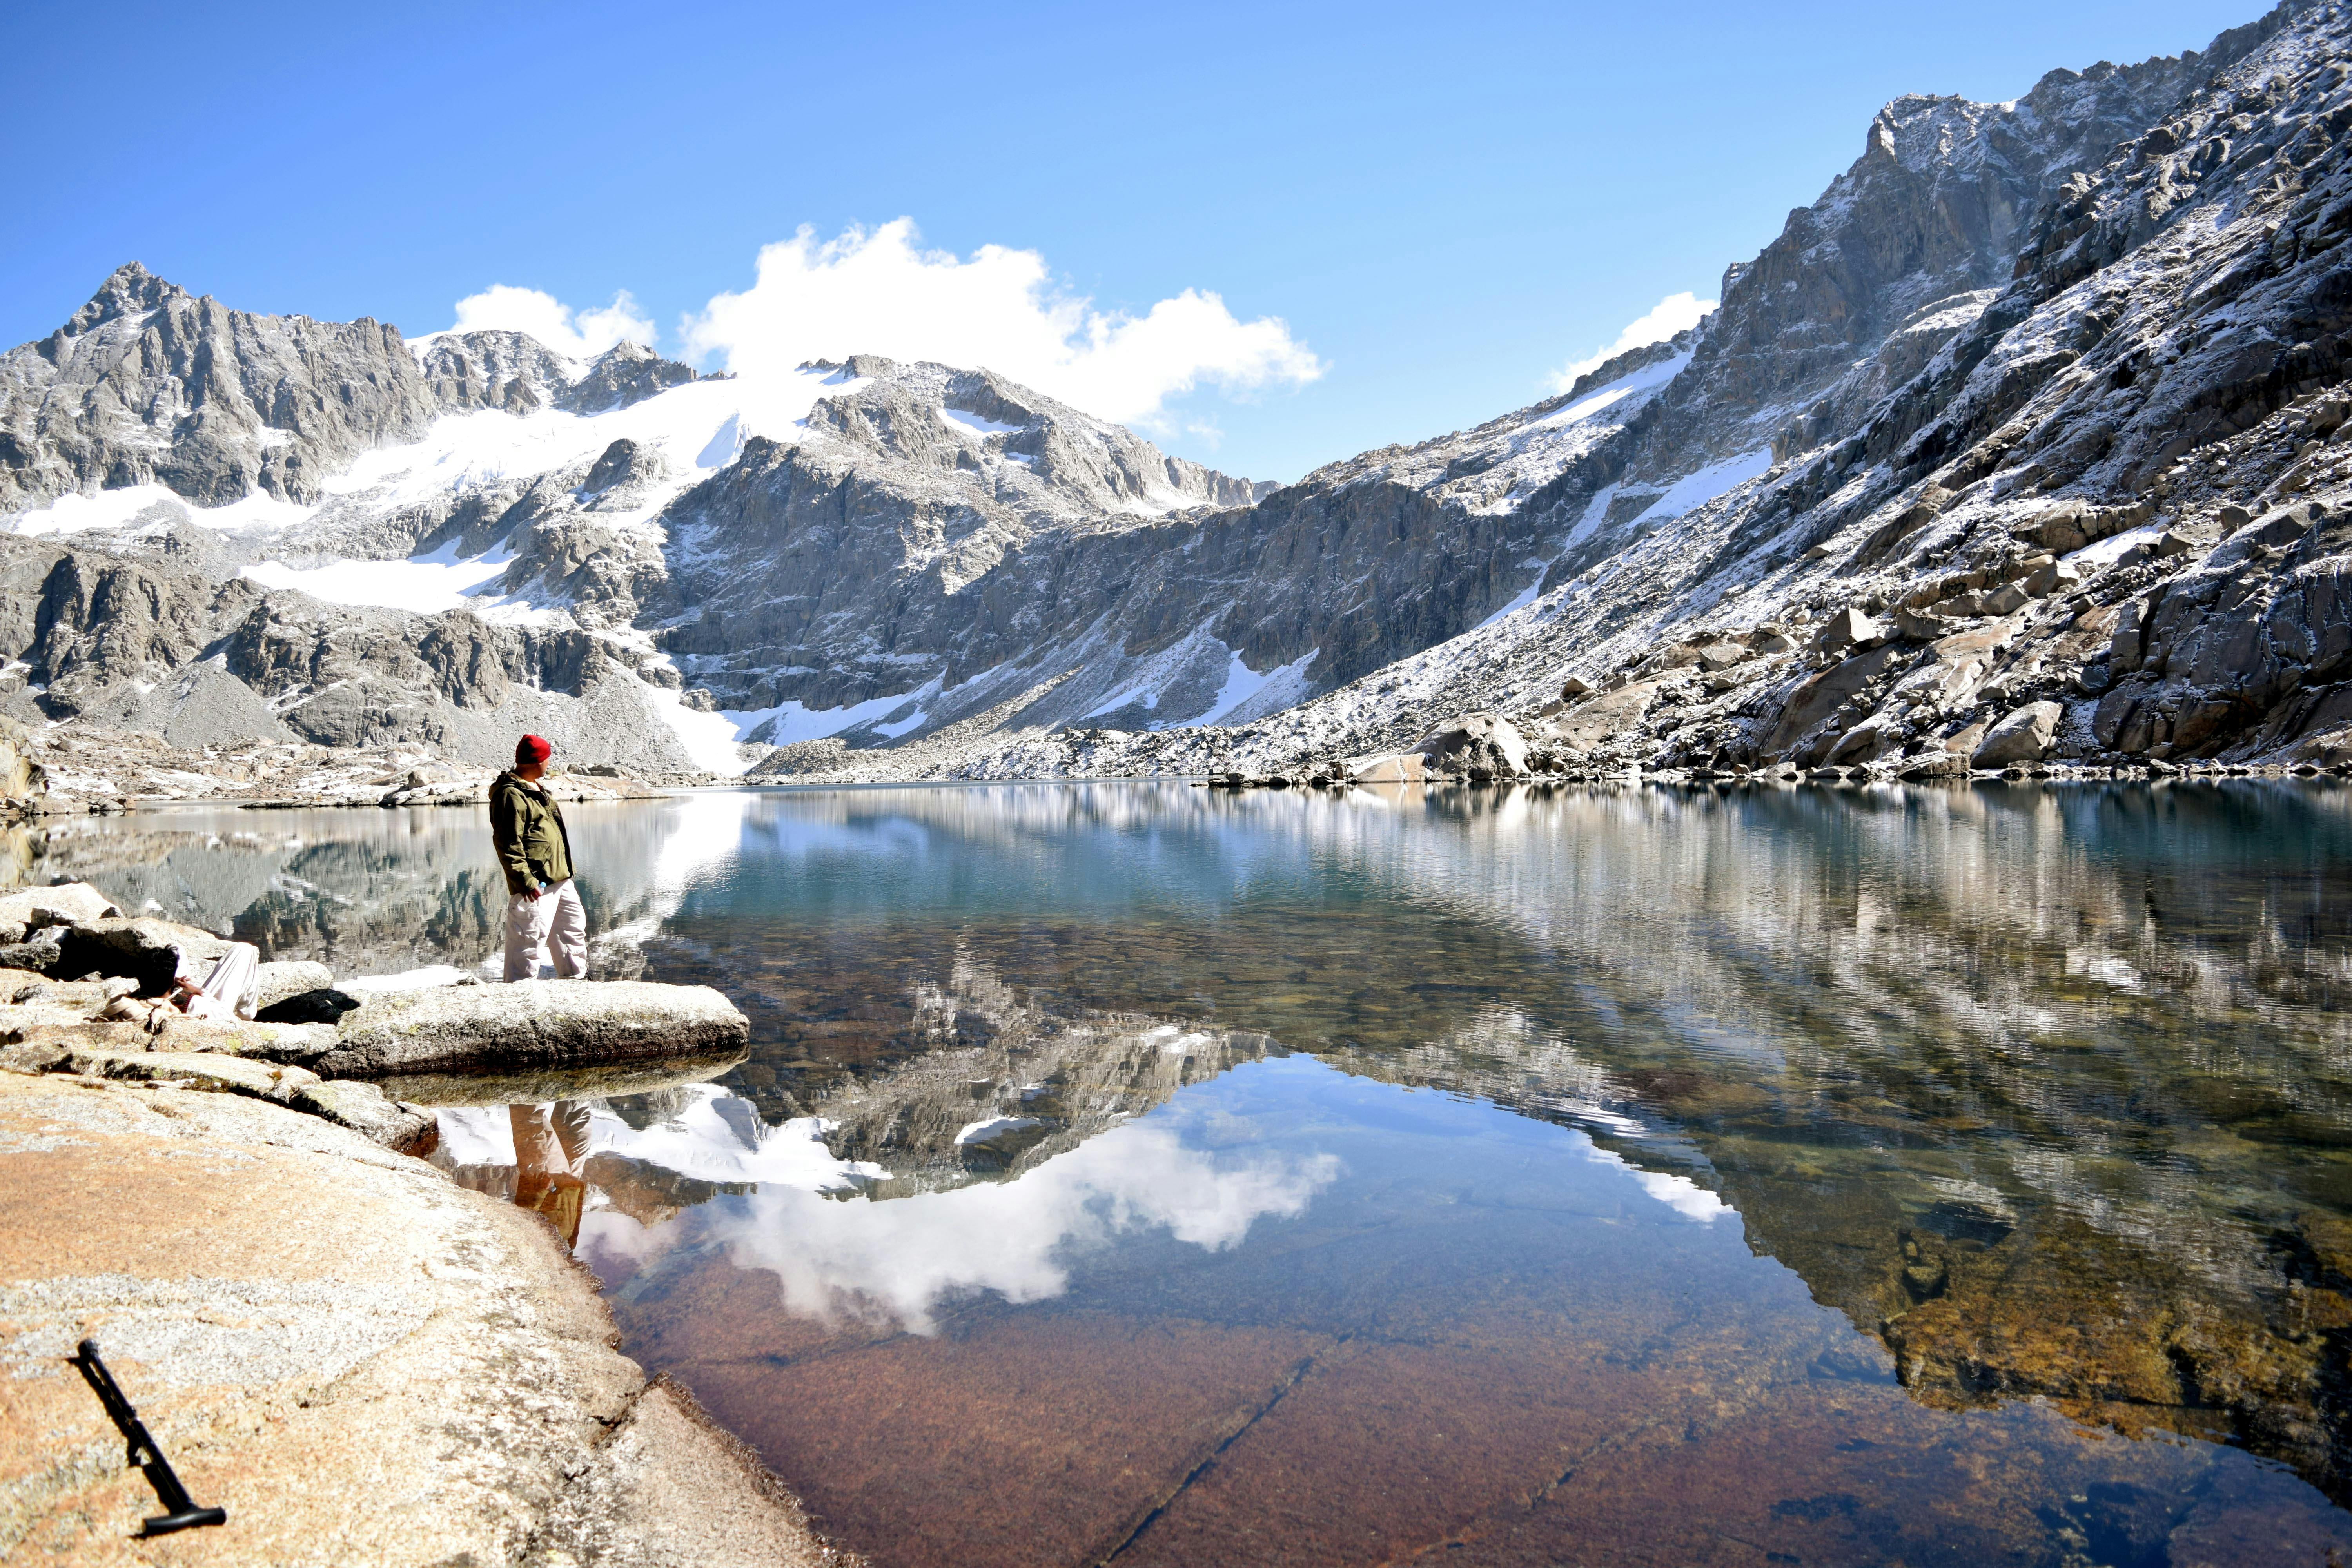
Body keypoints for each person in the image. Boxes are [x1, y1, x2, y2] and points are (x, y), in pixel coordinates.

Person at [491, 734, 587, 983]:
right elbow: (508, 844)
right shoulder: (511, 795)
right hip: (536, 885)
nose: (548, 763)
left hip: (561, 878)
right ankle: (519, 993)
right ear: (538, 762)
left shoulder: (535, 788)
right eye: (547, 759)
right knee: (528, 942)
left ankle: (575, 984)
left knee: (572, 933)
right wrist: (526, 882)